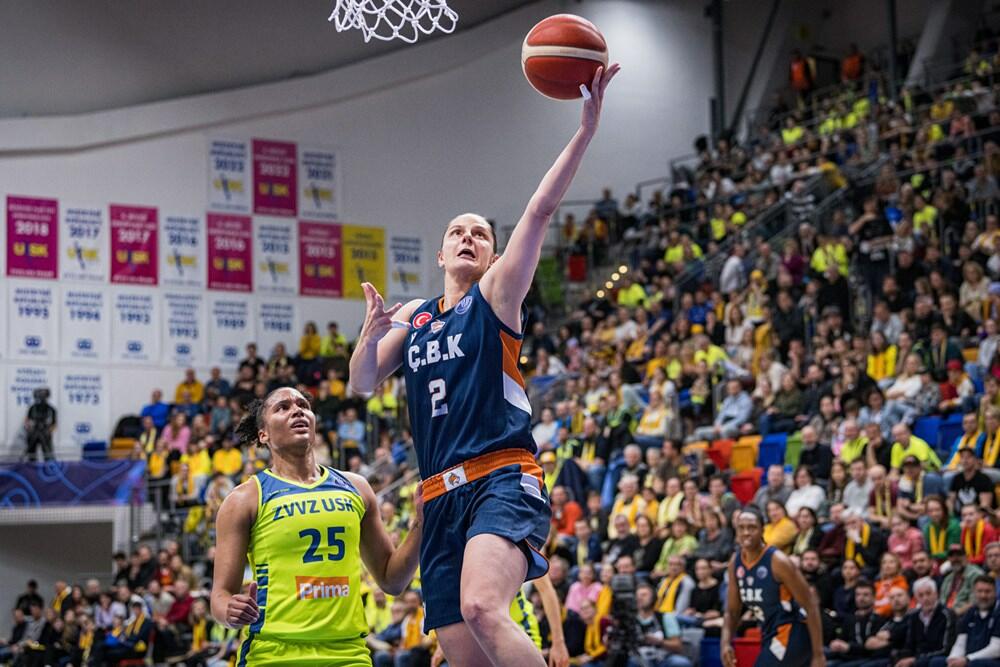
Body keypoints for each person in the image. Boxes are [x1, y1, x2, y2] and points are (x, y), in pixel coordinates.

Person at [346, 63, 619, 667]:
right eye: (457, 232)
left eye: (480, 234)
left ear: (494, 256)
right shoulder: (414, 314)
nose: (468, 238)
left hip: (501, 475)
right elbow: (361, 383)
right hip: (437, 497)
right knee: (463, 650)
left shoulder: (495, 296)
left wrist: (584, 131)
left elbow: (541, 210)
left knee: (482, 607)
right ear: (441, 253)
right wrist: (367, 339)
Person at [210, 387, 424, 666]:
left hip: (348, 654)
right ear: (263, 434)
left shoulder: (357, 487)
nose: (297, 411)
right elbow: (220, 596)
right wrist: (230, 609)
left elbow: (392, 580)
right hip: (273, 655)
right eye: (283, 407)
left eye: (303, 405)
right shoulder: (244, 499)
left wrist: (421, 522)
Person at [722, 508, 825, 667]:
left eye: (752, 527)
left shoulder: (778, 561)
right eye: (741, 528)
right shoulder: (735, 562)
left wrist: (818, 654)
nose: (746, 532)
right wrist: (725, 644)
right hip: (770, 632)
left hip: (793, 630)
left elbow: (810, 604)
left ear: (762, 530)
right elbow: (732, 612)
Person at [934, 575, 1000, 667]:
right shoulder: (970, 612)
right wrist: (952, 659)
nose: (983, 595)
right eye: (980, 591)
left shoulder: (998, 612)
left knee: (975, 664)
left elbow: (996, 649)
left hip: (991, 661)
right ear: (974, 593)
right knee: (937, 662)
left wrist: (967, 659)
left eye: (987, 591)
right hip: (970, 659)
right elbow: (960, 643)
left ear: (995, 592)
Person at [23, 387, 56, 462]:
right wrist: (29, 428)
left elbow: (54, 423)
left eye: (43, 396)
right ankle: (31, 467)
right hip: (34, 432)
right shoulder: (32, 408)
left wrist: (49, 431)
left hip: (45, 433)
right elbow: (27, 420)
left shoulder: (51, 409)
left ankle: (49, 466)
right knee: (31, 454)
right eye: (40, 395)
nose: (41, 398)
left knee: (48, 454)